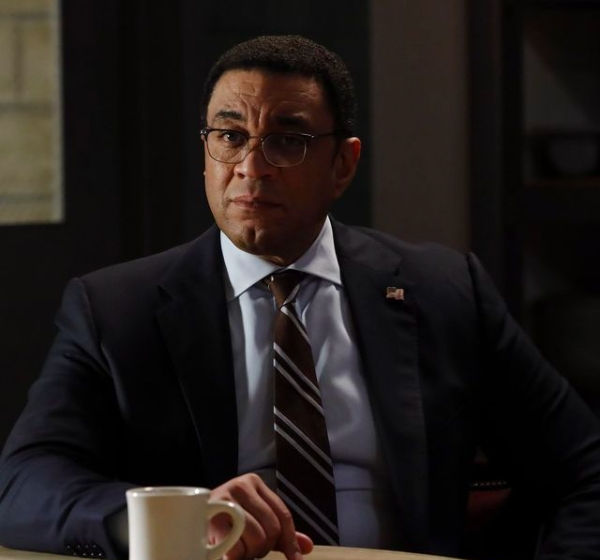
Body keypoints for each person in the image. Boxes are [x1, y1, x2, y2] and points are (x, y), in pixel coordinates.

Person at [1, 34, 600, 560]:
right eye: (229, 136)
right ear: (205, 153)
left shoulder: (445, 293)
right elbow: (22, 484)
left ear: (343, 163)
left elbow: (585, 467)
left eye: (287, 141)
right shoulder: (115, 310)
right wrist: (173, 519)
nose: (251, 167)